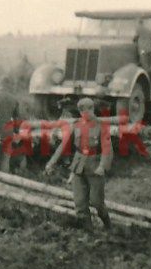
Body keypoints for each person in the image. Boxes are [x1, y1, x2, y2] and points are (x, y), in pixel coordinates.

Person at [44, 97, 113, 229]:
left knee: (97, 202)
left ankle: (108, 226)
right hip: (78, 166)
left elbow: (106, 148)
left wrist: (102, 166)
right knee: (80, 203)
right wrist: (51, 162)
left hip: (95, 166)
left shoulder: (101, 126)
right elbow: (63, 145)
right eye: (81, 111)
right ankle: (88, 233)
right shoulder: (76, 125)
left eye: (86, 111)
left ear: (92, 109)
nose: (84, 114)